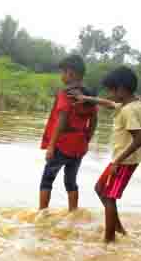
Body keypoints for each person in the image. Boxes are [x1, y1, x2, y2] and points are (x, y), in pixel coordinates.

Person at [38, 55, 98, 212]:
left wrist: (51, 146)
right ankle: (73, 213)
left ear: (71, 73)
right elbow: (94, 120)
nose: (62, 76)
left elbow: (62, 120)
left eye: (63, 72)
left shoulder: (66, 94)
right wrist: (87, 139)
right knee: (71, 181)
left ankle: (42, 214)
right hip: (79, 146)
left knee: (47, 179)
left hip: (62, 144)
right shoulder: (89, 95)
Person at [91, 67, 141, 243]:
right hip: (120, 160)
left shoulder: (129, 110)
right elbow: (108, 103)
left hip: (123, 161)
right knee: (100, 189)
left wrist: (117, 162)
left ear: (121, 89)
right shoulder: (132, 104)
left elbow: (138, 139)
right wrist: (87, 99)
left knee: (109, 196)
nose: (109, 94)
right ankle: (118, 228)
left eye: (111, 90)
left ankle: (109, 240)